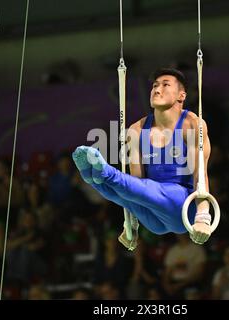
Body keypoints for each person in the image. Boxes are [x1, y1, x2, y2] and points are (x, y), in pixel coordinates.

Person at [72, 68, 214, 249]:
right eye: (155, 85)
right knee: (125, 194)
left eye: (165, 85)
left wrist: (203, 217)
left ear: (181, 95)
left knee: (144, 189)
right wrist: (130, 226)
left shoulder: (191, 124)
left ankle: (104, 174)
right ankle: (93, 177)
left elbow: (200, 176)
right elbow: (136, 186)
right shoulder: (136, 130)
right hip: (152, 217)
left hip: (181, 206)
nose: (157, 89)